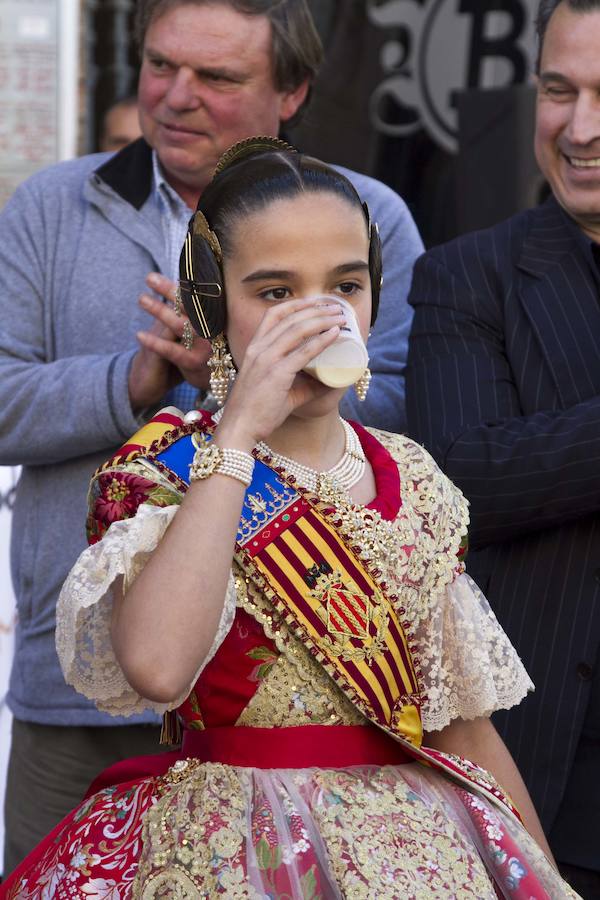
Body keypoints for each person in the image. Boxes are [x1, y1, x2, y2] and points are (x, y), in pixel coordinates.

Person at [0, 139, 577, 900]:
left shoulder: (412, 478)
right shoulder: (169, 466)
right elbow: (158, 669)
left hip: (414, 855)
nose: (318, 317)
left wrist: (544, 878)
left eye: (346, 284)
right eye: (275, 292)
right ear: (211, 306)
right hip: (231, 850)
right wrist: (234, 436)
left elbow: (460, 728)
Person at [0, 0, 423, 872]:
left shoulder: (368, 213)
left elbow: (418, 412)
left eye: (218, 77)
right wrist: (138, 381)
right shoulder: (50, 204)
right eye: (160, 66)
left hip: (311, 709)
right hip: (77, 685)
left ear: (293, 91)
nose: (175, 97)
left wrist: (246, 378)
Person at [405, 1, 600, 895]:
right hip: (556, 778)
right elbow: (466, 478)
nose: (579, 128)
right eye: (559, 91)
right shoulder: (469, 274)